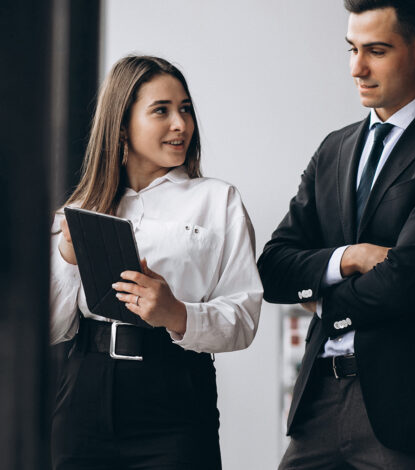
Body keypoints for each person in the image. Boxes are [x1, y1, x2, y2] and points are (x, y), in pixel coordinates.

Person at [258, 0, 415, 468]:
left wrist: (323, 303)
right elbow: (272, 269)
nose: (356, 68)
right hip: (318, 397)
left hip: (402, 405)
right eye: (352, 49)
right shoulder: (334, 147)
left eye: (376, 51)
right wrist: (350, 258)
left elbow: (408, 279)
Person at [48, 55, 262, 470]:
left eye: (185, 109)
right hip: (84, 393)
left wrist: (177, 314)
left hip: (175, 395)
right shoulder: (77, 210)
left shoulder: (218, 201)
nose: (180, 124)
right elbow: (52, 328)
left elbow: (244, 318)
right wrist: (67, 259)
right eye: (161, 111)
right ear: (122, 124)